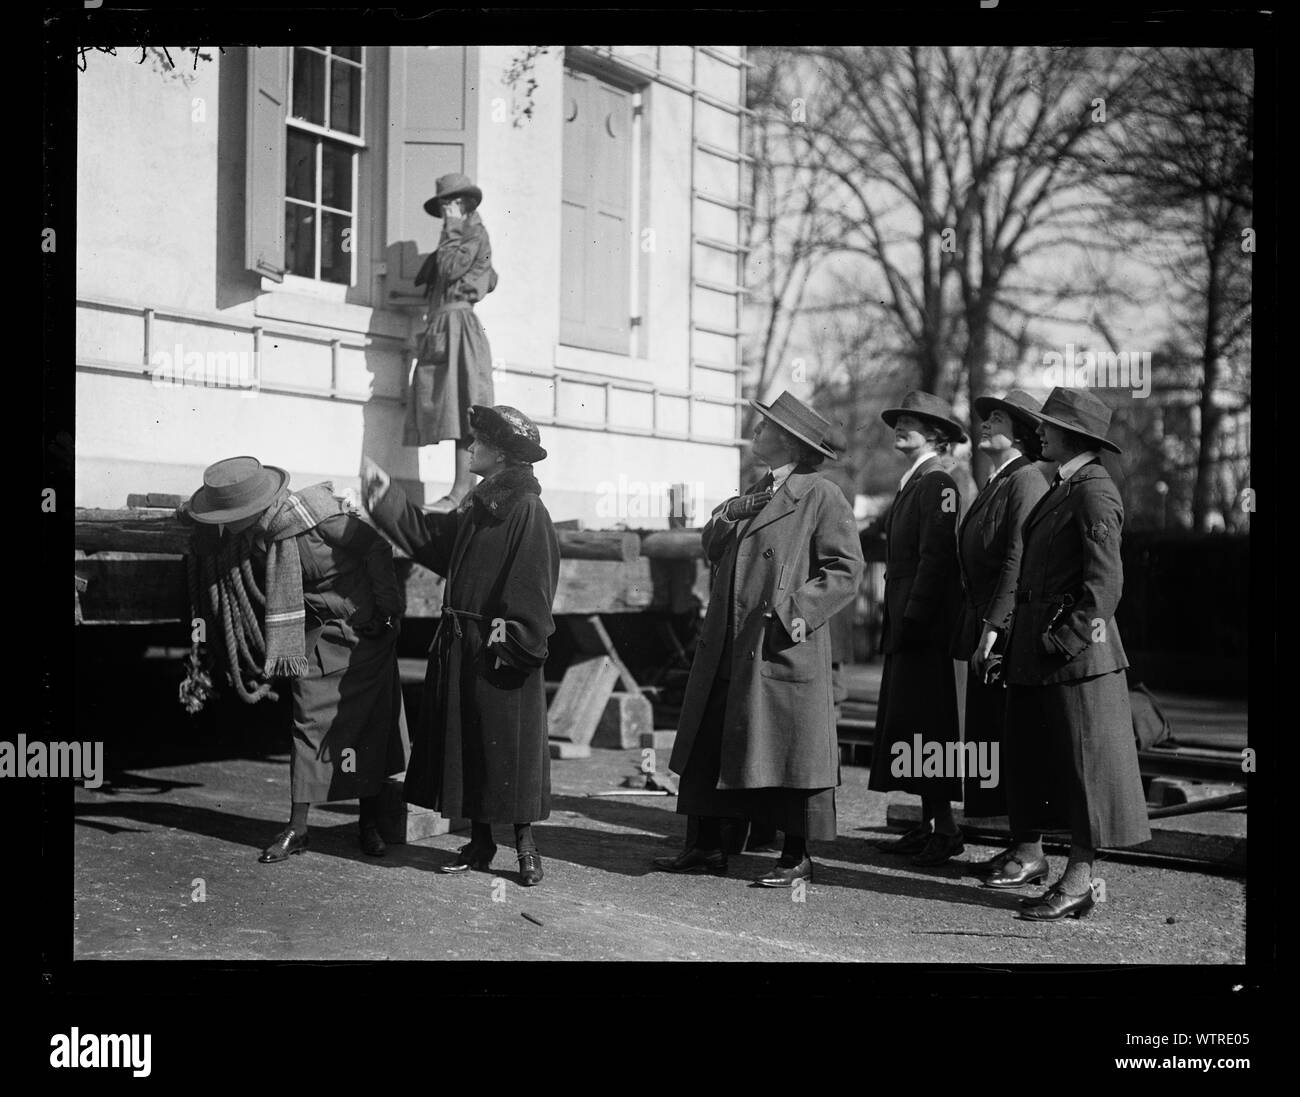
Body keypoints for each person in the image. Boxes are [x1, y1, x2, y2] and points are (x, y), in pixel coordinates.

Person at [655, 391, 864, 886]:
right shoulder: (755, 489)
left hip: (776, 642)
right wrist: (727, 515)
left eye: (765, 426)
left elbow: (846, 569)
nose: (756, 431)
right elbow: (711, 546)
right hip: (729, 641)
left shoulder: (820, 494)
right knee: (711, 738)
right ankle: (706, 845)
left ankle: (797, 856)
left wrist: (791, 616)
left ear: (790, 443)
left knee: (789, 748)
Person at [363, 406, 559, 886]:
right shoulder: (480, 503)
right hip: (466, 643)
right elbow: (435, 544)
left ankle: (526, 848)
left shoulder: (525, 509)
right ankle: (481, 843)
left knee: (509, 750)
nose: (469, 449)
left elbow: (533, 585)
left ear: (499, 452)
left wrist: (508, 643)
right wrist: (387, 500)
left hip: (500, 648)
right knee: (474, 744)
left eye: (476, 443)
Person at [181, 456, 408, 864]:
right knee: (308, 727)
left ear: (253, 508)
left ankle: (368, 825)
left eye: (228, 515)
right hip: (314, 640)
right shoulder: (254, 534)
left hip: (363, 636)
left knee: (368, 732)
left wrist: (387, 611)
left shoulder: (317, 515)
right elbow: (203, 533)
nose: (225, 523)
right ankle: (298, 828)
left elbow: (376, 547)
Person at [1002, 387, 1151, 920]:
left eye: (1049, 425)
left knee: (1088, 775)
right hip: (1048, 658)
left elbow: (1105, 586)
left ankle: (1081, 880)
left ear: (1076, 436)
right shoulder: (1067, 484)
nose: (1039, 431)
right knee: (1056, 771)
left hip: (1078, 661)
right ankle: (1058, 871)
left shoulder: (1092, 490)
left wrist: (1065, 640)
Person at [952, 391, 1050, 887]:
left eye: (997, 418)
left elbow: (1018, 557)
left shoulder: (1027, 479)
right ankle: (1020, 846)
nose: (986, 423)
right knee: (997, 736)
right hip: (989, 628)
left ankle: (1030, 851)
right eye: (986, 417)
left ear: (1023, 432)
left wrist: (993, 627)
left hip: (1009, 634)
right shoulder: (998, 480)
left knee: (1016, 740)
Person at [865, 391, 967, 866]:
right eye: (900, 419)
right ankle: (929, 825)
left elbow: (937, 557)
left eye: (913, 421)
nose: (900, 427)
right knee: (913, 723)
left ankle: (945, 830)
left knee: (929, 723)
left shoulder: (938, 482)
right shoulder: (915, 482)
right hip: (907, 619)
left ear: (938, 435)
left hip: (922, 627)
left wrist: (915, 617)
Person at [405, 173, 499, 511]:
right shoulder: (457, 237)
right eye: (444, 204)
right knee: (447, 411)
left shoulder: (470, 234)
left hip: (460, 329)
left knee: (465, 414)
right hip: (443, 329)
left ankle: (462, 492)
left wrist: (453, 228)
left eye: (451, 203)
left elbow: (449, 269)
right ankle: (461, 493)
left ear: (465, 203)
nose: (446, 210)